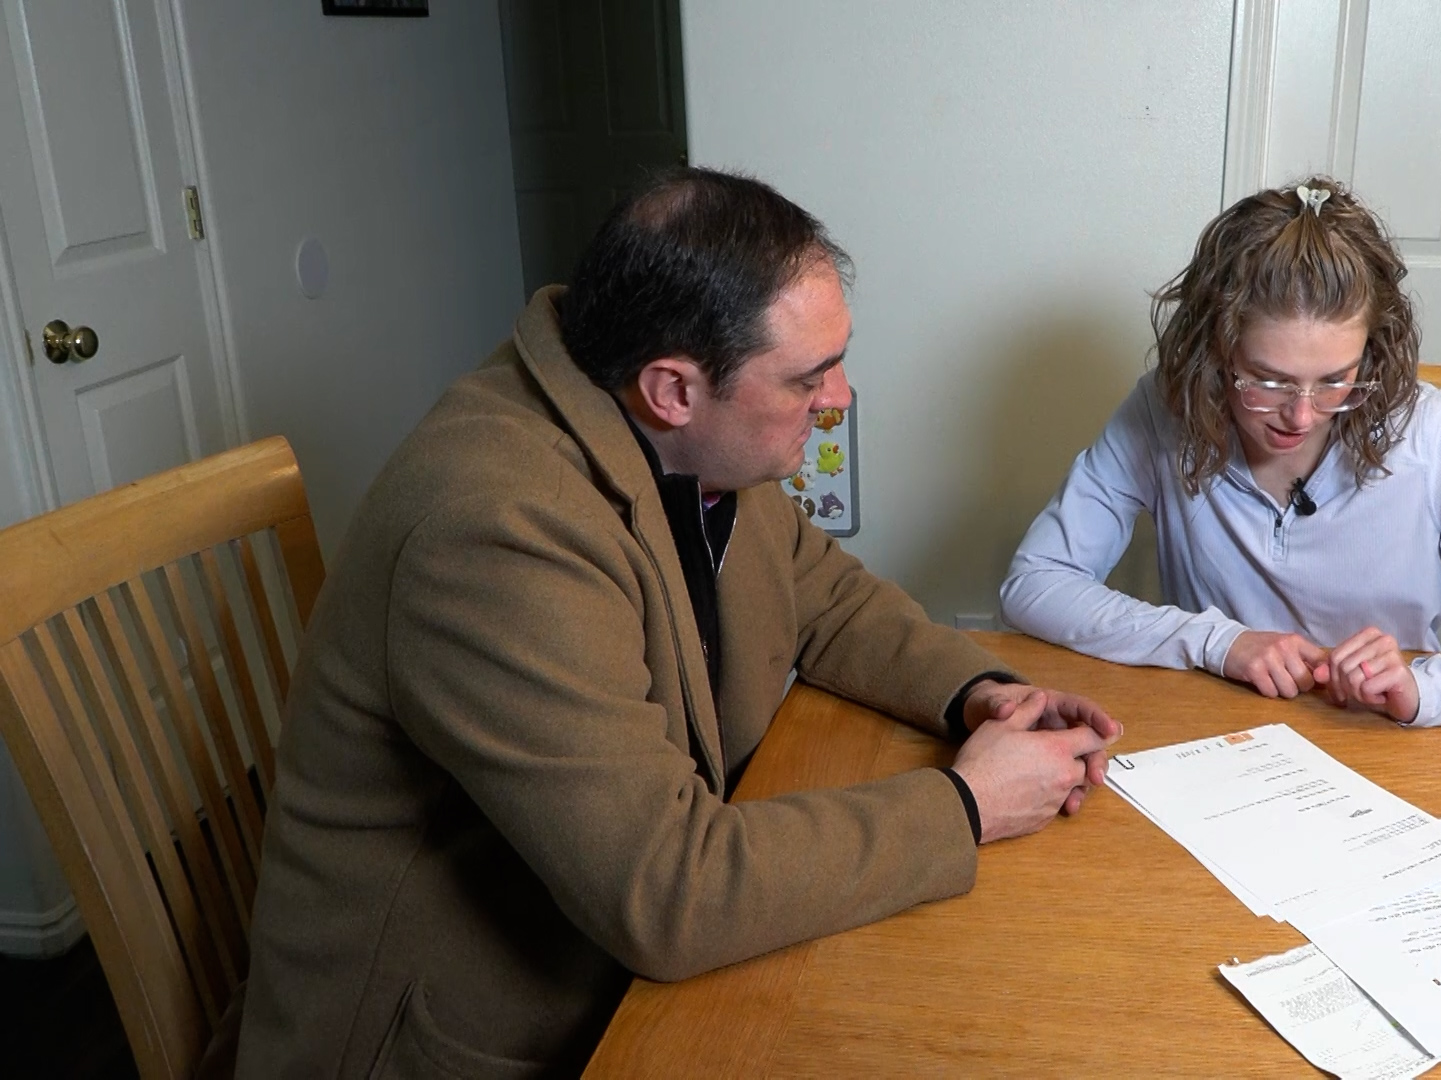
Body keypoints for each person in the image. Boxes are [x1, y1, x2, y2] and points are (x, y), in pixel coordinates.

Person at [234, 168, 1121, 1076]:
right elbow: (668, 892)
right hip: (473, 1035)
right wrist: (967, 805)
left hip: (602, 961)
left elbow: (825, 595)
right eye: (809, 376)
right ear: (673, 389)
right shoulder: (494, 530)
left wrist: (983, 695)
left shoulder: (683, 437)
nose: (839, 398)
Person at [1000, 179, 1441, 727]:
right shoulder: (1165, 410)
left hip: (1381, 749)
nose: (1301, 416)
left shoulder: (1434, 434)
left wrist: (1426, 689)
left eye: (1336, 380)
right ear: (1213, 353)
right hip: (1217, 738)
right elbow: (1035, 583)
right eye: (1267, 380)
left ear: (1373, 354)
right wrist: (1218, 641)